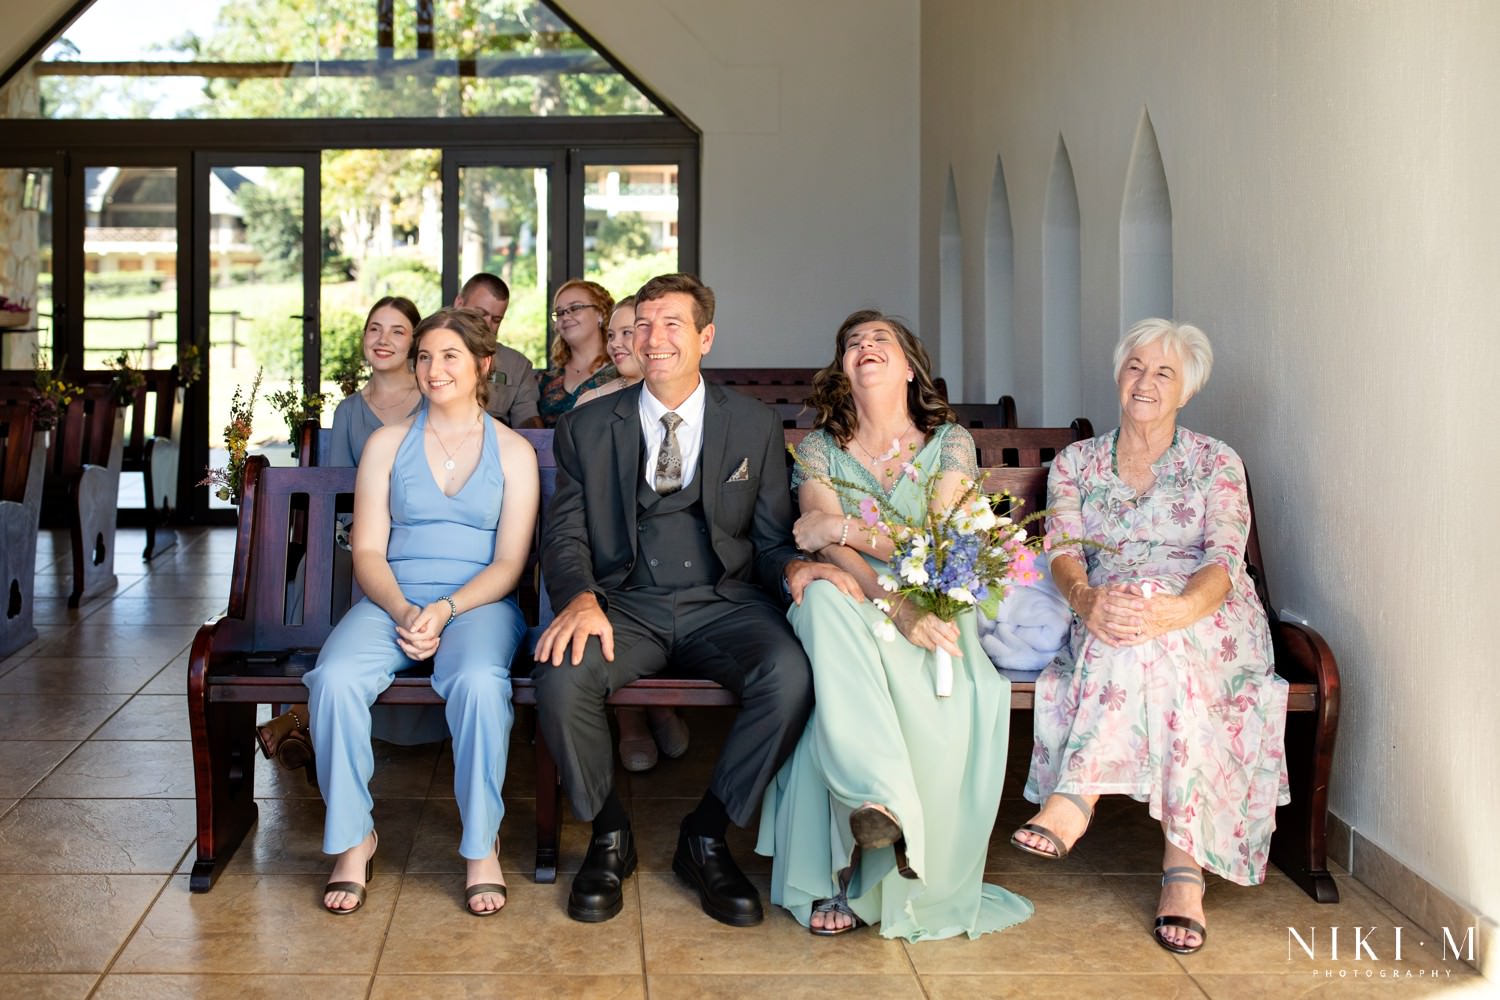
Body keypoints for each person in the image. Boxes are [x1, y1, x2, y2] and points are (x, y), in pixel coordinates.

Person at [533, 272, 861, 927]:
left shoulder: (754, 423)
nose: (653, 338)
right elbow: (565, 533)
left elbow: (769, 539)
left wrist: (798, 568)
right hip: (624, 603)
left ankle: (707, 835)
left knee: (790, 676)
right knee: (561, 674)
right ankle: (609, 834)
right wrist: (580, 598)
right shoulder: (586, 427)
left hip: (725, 603)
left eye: (671, 324)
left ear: (706, 337)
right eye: (643, 324)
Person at [755, 310, 1035, 941]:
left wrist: (845, 527)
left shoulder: (949, 443)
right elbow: (823, 548)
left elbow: (938, 543)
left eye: (880, 339)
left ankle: (859, 856)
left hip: (935, 599)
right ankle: (876, 798)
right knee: (823, 599)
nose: (865, 346)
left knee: (840, 685)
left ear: (909, 367)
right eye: (852, 343)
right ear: (843, 368)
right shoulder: (819, 448)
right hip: (861, 597)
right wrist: (888, 598)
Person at [1012, 318, 1288, 956]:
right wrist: (1085, 599)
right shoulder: (1077, 462)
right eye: (1135, 366)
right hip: (1108, 609)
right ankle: (1183, 875)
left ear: (1186, 390)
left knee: (1162, 635)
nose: (1146, 381)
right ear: (1118, 375)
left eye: (1165, 372)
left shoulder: (1216, 461)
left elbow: (1225, 557)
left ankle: (1075, 797)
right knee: (1138, 624)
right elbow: (1063, 549)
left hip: (1209, 612)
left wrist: (1179, 607)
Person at [303, 307, 540, 917]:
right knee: (334, 680)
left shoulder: (513, 451)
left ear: (483, 364)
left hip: (480, 603)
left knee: (480, 683)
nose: (435, 369)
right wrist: (405, 609)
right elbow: (367, 550)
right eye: (426, 356)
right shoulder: (386, 444)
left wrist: (446, 607)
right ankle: (353, 839)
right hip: (394, 597)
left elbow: (510, 562)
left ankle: (481, 845)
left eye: (450, 356)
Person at [255, 296, 429, 771]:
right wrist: (357, 533)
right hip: (362, 533)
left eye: (397, 330)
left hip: (419, 537)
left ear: (415, 341)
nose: (383, 339)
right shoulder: (351, 410)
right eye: (375, 329)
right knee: (321, 569)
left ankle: (301, 716)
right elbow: (340, 490)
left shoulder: (431, 398)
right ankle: (317, 710)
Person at [576, 295, 692, 773]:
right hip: (610, 552)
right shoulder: (592, 404)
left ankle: (659, 703)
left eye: (631, 331)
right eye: (614, 334)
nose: (620, 343)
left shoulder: (683, 402)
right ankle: (633, 720)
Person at [455, 272, 543, 429]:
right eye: (480, 314)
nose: (487, 324)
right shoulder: (427, 353)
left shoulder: (516, 365)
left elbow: (527, 419)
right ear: (459, 303)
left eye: (496, 320)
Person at [536, 278, 619, 427]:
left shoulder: (621, 371)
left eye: (575, 308)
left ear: (601, 313)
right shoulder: (544, 380)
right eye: (559, 312)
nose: (565, 317)